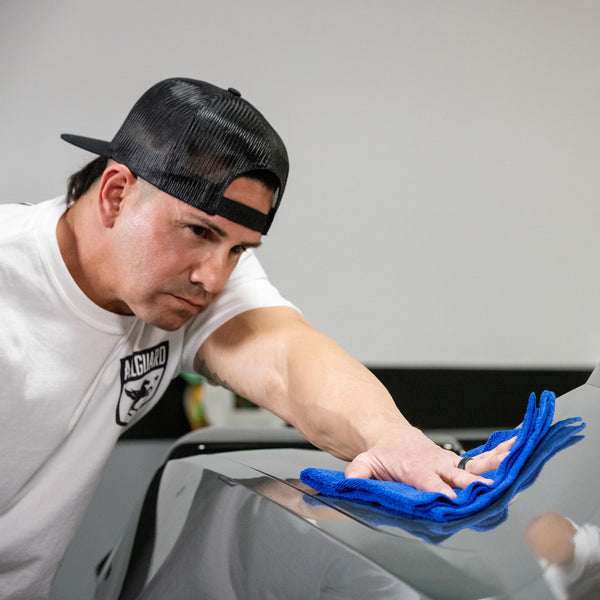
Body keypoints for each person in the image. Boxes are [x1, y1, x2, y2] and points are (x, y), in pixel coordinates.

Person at [0, 77, 512, 599]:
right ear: (116, 194)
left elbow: (288, 360)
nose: (213, 279)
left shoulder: (184, 282)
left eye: (238, 250)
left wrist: (396, 441)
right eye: (199, 231)